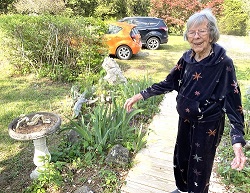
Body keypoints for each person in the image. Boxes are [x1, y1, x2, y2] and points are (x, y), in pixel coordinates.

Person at [124, 9, 246, 193]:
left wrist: (237, 142)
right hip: (186, 121)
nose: (196, 36)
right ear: (187, 35)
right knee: (181, 161)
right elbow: (169, 82)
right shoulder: (187, 58)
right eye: (192, 32)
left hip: (208, 127)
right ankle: (183, 190)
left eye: (202, 31)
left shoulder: (223, 63)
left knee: (200, 169)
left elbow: (234, 103)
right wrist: (140, 95)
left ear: (211, 34)